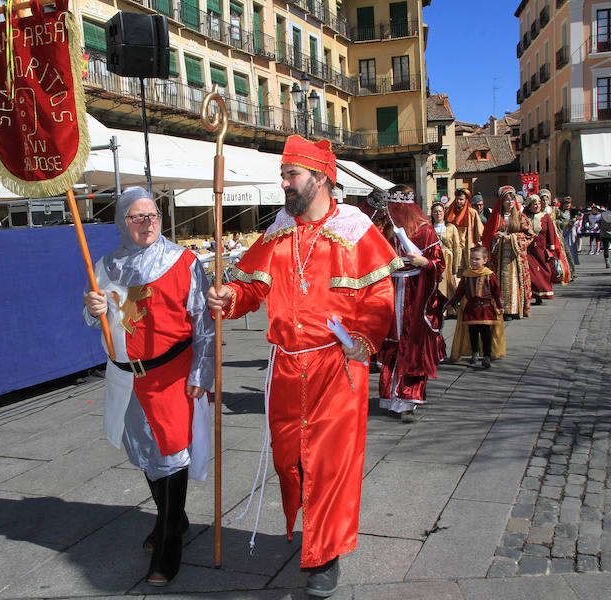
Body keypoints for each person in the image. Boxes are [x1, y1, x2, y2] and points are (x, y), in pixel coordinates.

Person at [206, 135, 398, 598]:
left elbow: (380, 295)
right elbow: (251, 288)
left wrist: (365, 338)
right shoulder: (277, 231)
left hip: (337, 366)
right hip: (287, 369)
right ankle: (312, 537)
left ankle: (325, 557)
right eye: (283, 176)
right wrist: (227, 297)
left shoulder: (355, 231)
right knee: (291, 461)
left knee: (329, 466)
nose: (284, 184)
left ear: (321, 178)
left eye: (292, 176)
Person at [83, 186, 214, 587]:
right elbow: (94, 319)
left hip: (171, 375)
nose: (147, 224)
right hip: (126, 376)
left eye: (153, 216)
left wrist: (201, 374)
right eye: (137, 217)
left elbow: (203, 325)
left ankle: (168, 546)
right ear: (123, 221)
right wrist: (93, 309)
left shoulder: (184, 261)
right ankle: (174, 518)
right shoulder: (105, 265)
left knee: (173, 455)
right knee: (144, 453)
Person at [363, 186, 445, 423]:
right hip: (389, 290)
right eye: (392, 207)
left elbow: (438, 265)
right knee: (390, 345)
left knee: (411, 346)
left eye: (399, 208)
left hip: (415, 293)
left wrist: (424, 262)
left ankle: (408, 400)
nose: (395, 212)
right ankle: (390, 397)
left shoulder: (424, 230)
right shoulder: (383, 229)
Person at [447, 245, 505, 368]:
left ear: (485, 260)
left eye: (477, 259)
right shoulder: (467, 275)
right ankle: (474, 352)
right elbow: (460, 292)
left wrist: (500, 305)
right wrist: (452, 303)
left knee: (486, 333)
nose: (474, 261)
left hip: (486, 309)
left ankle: (487, 356)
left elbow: (497, 292)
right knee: (472, 332)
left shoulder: (489, 274)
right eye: (472, 258)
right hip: (471, 309)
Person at [482, 186, 534, 319]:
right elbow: (487, 236)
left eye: (512, 199)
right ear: (502, 201)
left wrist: (513, 238)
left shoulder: (520, 217)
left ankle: (516, 308)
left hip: (515, 256)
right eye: (507, 200)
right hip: (499, 256)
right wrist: (496, 236)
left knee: (516, 281)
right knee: (501, 281)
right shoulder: (496, 218)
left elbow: (530, 235)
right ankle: (503, 309)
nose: (510, 202)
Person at [523, 195, 557, 303]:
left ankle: (541, 294)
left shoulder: (546, 217)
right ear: (529, 206)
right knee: (531, 273)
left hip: (541, 250)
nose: (537, 206)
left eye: (538, 204)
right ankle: (532, 294)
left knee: (543, 273)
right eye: (534, 204)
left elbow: (551, 233)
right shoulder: (525, 217)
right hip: (529, 250)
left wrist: (551, 248)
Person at [445, 187, 484, 272]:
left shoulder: (472, 212)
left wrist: (479, 244)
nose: (458, 201)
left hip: (468, 245)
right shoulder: (450, 212)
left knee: (469, 269)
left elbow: (479, 230)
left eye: (461, 199)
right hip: (454, 246)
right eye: (457, 199)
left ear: (466, 200)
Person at [430, 200, 461, 305]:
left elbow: (457, 246)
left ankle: (448, 307)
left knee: (448, 282)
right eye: (435, 211)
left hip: (448, 258)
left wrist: (456, 266)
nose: (438, 214)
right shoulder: (429, 228)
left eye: (440, 211)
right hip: (434, 259)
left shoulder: (451, 228)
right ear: (432, 213)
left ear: (444, 213)